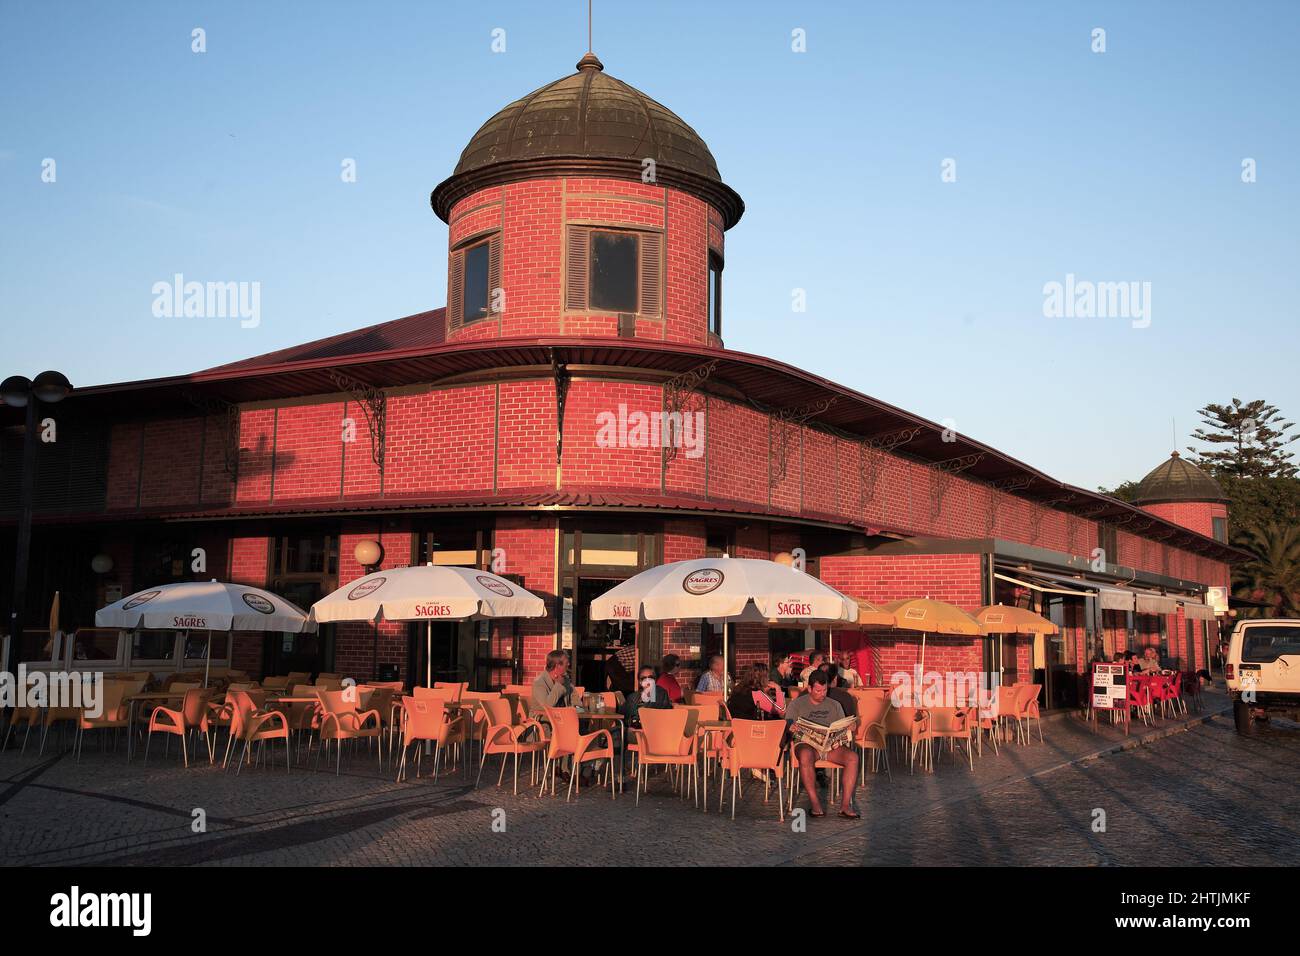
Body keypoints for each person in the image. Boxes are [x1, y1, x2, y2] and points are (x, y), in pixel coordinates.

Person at [784, 671, 859, 818]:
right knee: (805, 755)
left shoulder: (835, 705)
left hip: (830, 746)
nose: (822, 694)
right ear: (810, 688)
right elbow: (788, 723)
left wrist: (850, 727)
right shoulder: (797, 704)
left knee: (853, 758)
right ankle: (815, 804)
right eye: (818, 690)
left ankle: (845, 805)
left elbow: (843, 725)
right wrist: (791, 727)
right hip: (807, 745)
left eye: (825, 690)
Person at [623, 665, 671, 729]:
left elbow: (652, 713)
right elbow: (623, 715)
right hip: (634, 729)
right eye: (644, 678)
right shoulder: (632, 697)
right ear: (640, 682)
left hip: (652, 730)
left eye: (650, 677)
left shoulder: (660, 693)